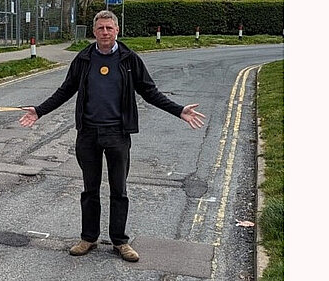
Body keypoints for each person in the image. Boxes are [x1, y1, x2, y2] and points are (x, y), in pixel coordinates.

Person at [19, 10, 206, 262]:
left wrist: (178, 110)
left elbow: (150, 92)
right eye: (100, 29)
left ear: (117, 30)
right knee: (90, 189)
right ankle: (88, 238)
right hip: (88, 134)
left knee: (119, 189)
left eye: (109, 28)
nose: (105, 32)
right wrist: (39, 111)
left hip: (117, 134)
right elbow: (65, 90)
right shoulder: (83, 58)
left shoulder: (130, 60)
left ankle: (120, 241)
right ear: (94, 32)